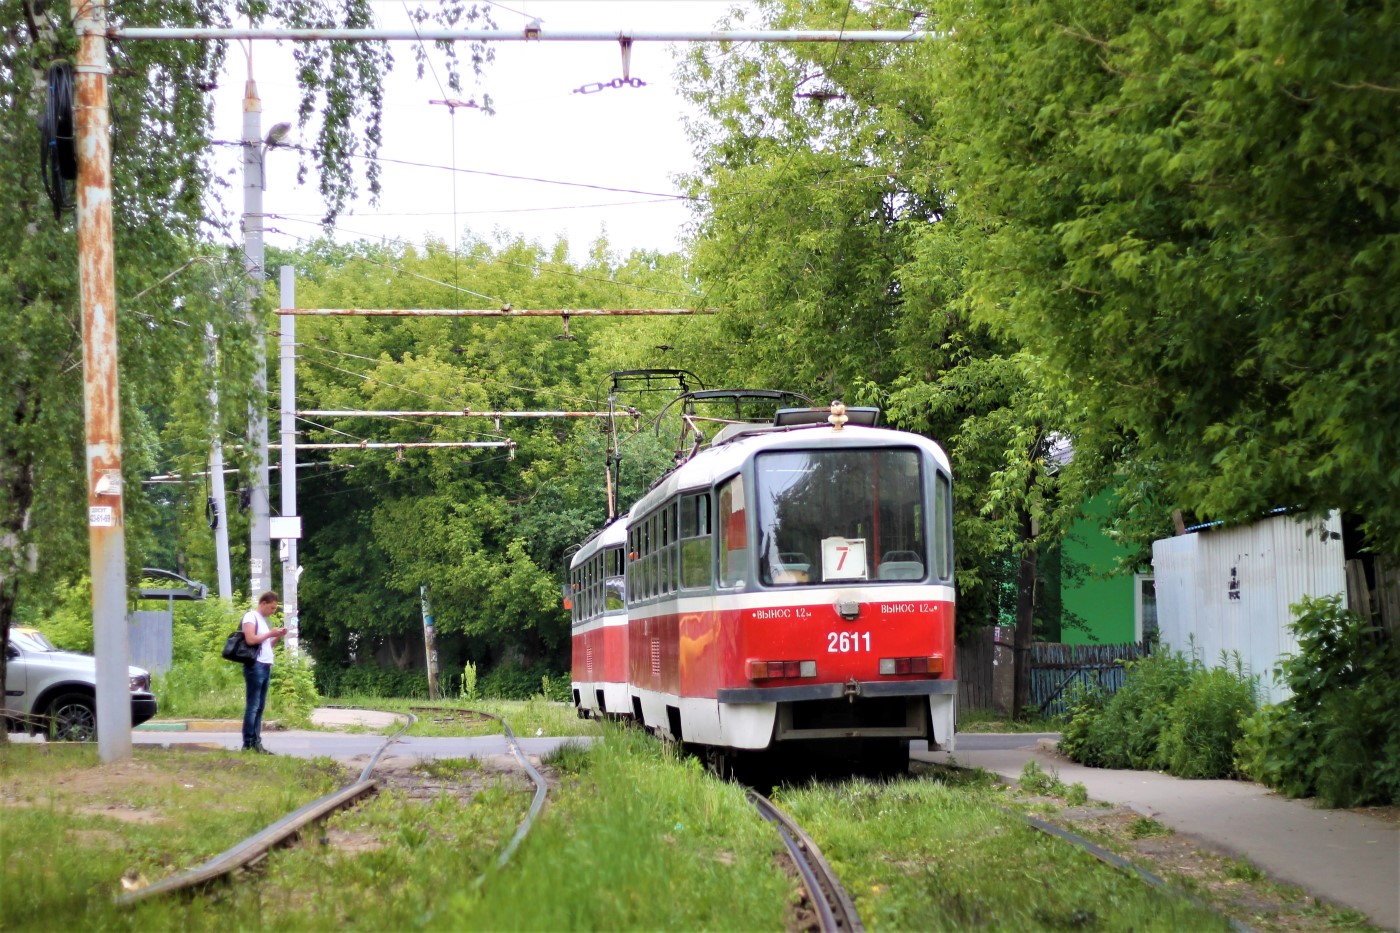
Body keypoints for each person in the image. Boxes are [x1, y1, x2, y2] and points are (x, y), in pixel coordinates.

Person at [241, 590, 287, 754]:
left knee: (260, 706)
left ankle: (256, 742)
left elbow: (267, 645)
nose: (273, 611)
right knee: (253, 706)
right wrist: (269, 633)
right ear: (263, 604)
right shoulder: (251, 617)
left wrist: (277, 636)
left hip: (266, 665)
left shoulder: (263, 621)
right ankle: (248, 743)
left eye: (275, 609)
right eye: (272, 608)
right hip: (255, 666)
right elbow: (250, 639)